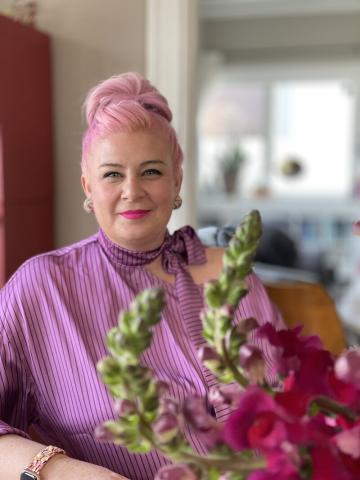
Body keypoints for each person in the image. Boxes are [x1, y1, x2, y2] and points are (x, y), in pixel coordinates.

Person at [0, 72, 284, 480]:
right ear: (88, 187)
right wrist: (64, 472)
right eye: (112, 174)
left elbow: (294, 407)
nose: (132, 190)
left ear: (177, 180)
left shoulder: (233, 274)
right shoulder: (42, 288)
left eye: (150, 171)